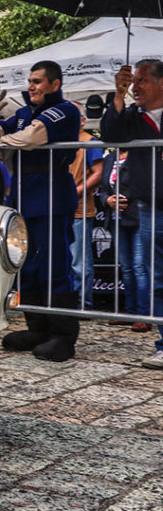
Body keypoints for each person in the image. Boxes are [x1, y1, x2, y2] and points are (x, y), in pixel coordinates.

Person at [0, 60, 81, 362]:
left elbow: (32, 138)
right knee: (29, 268)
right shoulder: (24, 113)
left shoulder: (65, 110)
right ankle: (38, 328)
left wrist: (3, 143)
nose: (31, 86)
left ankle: (63, 335)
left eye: (37, 81)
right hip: (25, 197)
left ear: (54, 84)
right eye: (30, 81)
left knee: (54, 267)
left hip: (52, 197)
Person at [100, 59, 163, 369]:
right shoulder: (133, 115)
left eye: (142, 80)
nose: (135, 87)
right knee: (158, 276)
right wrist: (118, 93)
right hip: (151, 207)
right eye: (133, 81)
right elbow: (110, 134)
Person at [95, 148, 149, 330]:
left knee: (139, 267)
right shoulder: (109, 158)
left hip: (138, 217)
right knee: (126, 267)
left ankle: (144, 314)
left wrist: (122, 198)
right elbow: (102, 188)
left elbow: (143, 183)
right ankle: (130, 311)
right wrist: (107, 200)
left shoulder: (140, 155)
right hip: (116, 218)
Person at [67, 103, 103, 309]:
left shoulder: (90, 142)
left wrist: (75, 192)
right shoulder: (59, 141)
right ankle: (67, 303)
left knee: (79, 262)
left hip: (79, 209)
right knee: (65, 260)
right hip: (59, 209)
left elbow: (97, 174)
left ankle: (82, 304)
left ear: (83, 120)